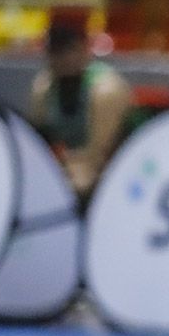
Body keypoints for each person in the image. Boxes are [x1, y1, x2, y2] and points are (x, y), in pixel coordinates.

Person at [29, 18, 132, 204]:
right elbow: (40, 142)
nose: (65, 58)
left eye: (71, 49)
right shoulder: (43, 87)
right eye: (56, 52)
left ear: (85, 49)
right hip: (64, 166)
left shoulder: (105, 90)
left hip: (106, 167)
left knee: (78, 184)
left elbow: (99, 153)